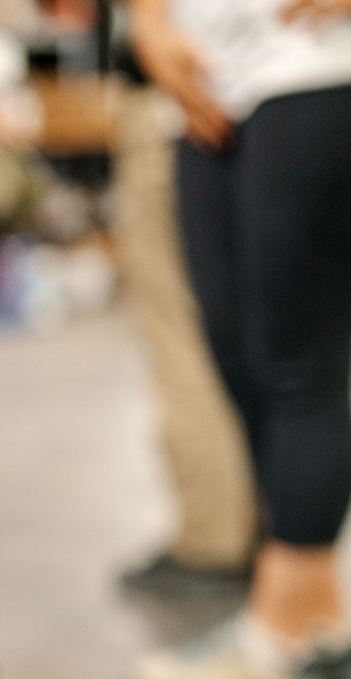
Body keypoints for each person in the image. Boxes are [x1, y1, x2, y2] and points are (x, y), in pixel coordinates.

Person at [126, 0, 351, 679]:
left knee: (299, 370)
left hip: (328, 67)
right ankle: (319, 623)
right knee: (240, 362)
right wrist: (149, 22)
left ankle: (283, 639)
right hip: (210, 77)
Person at [113, 81, 259, 598]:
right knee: (250, 337)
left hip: (177, 109)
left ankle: (212, 542)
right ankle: (268, 526)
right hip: (258, 110)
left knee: (181, 341)